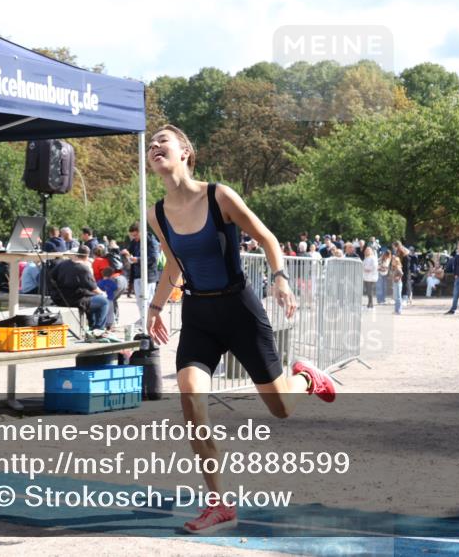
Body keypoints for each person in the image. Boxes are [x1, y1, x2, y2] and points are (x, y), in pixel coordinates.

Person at [143, 125, 335, 534]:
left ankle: (305, 378)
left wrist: (280, 279)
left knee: (281, 408)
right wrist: (156, 307)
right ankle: (219, 503)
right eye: (150, 144)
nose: (155, 146)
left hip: (239, 310)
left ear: (185, 152)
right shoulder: (156, 213)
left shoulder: (219, 196)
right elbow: (174, 264)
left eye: (163, 141)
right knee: (191, 399)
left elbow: (267, 238)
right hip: (198, 315)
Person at [49, 245, 111, 332]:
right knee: (104, 301)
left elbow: (51, 276)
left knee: (93, 298)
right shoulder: (83, 268)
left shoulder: (63, 263)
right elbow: (93, 288)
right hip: (75, 300)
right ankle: (98, 329)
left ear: (77, 254)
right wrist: (103, 293)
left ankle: (92, 325)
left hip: (60, 298)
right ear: (87, 255)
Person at [126, 224, 161, 323]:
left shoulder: (151, 241)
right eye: (132, 235)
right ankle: (143, 319)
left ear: (142, 232)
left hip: (149, 276)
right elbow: (130, 252)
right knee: (139, 300)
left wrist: (137, 259)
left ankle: (148, 320)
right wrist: (127, 254)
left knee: (148, 299)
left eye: (136, 235)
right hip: (137, 275)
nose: (134, 238)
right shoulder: (134, 242)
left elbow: (154, 258)